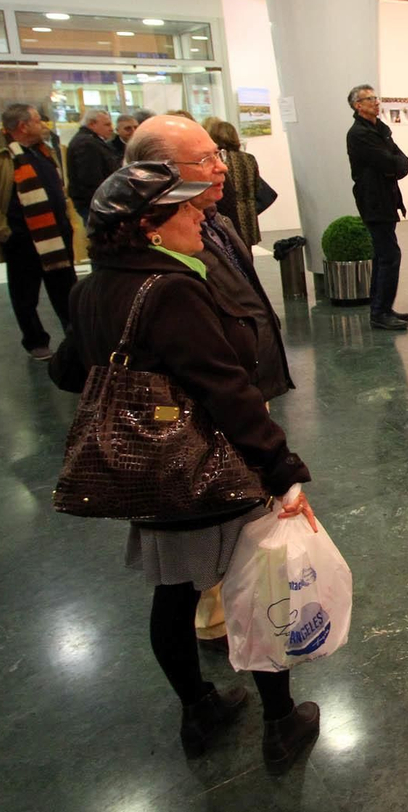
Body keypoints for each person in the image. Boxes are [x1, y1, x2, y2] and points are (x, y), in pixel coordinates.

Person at [49, 161, 321, 768]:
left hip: (145, 475)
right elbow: (226, 389)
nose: (202, 214)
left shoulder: (91, 289)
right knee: (255, 596)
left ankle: (198, 712)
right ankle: (280, 725)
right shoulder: (172, 288)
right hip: (207, 469)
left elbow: (67, 370)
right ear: (149, 226)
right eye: (186, 209)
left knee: (171, 598)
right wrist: (281, 468)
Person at [127, 114, 295, 652]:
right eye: (204, 160)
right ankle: (220, 622)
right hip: (199, 425)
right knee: (203, 552)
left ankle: (225, 609)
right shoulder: (158, 256)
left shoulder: (212, 219)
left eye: (216, 155)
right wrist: (280, 463)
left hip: (243, 394)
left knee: (239, 535)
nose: (220, 166)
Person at [0, 103, 78, 361]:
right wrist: (7, 234)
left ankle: (76, 338)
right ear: (23, 126)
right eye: (38, 121)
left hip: (56, 238)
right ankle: (36, 341)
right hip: (22, 240)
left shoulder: (45, 151)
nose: (43, 125)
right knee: (25, 295)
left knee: (66, 291)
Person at [345, 84, 408, 331]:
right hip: (373, 201)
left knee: (382, 255)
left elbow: (401, 161)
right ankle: (380, 311)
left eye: (376, 97)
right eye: (369, 98)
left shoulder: (380, 130)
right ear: (357, 105)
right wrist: (394, 164)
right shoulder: (359, 134)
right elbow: (387, 160)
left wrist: (395, 165)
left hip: (386, 199)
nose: (376, 102)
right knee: (390, 256)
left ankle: (381, 307)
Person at [206, 119, 262, 248]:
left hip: (227, 210)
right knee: (247, 251)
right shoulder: (249, 158)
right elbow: (257, 186)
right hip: (249, 210)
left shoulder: (218, 161)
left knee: (230, 248)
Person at [65, 108, 122, 223]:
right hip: (95, 205)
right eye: (107, 124)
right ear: (92, 124)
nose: (111, 129)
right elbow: (90, 179)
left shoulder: (92, 141)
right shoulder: (87, 144)